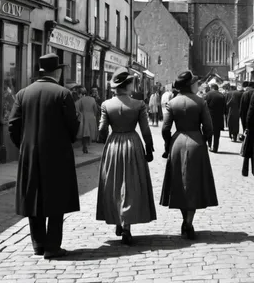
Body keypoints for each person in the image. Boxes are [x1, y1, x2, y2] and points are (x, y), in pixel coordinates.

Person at [8, 53, 80, 259]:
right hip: (57, 155)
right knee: (57, 199)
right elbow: (72, 125)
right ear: (56, 72)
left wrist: (23, 146)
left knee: (34, 198)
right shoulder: (62, 93)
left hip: (30, 155)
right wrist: (69, 140)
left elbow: (13, 125)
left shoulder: (23, 93)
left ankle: (38, 244)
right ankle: (52, 246)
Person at [96, 68, 155, 245]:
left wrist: (102, 140)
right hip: (132, 145)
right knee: (130, 185)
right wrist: (149, 148)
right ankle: (127, 226)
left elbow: (101, 130)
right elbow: (145, 130)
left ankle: (117, 220)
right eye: (131, 82)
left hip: (114, 145)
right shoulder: (138, 104)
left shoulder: (106, 104)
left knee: (113, 183)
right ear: (127, 85)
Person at [160, 71, 218, 240]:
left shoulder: (172, 103)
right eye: (195, 83)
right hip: (196, 143)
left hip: (177, 142)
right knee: (193, 184)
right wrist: (205, 140)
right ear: (190, 85)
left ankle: (185, 219)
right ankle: (189, 222)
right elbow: (209, 127)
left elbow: (165, 128)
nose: (197, 85)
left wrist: (168, 143)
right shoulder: (200, 102)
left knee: (179, 183)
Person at [75, 87, 99, 153]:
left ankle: (84, 146)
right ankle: (85, 146)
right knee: (88, 133)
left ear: (81, 94)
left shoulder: (80, 100)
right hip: (91, 117)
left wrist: (79, 114)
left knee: (84, 133)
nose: (78, 96)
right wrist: (94, 115)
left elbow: (76, 109)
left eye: (78, 94)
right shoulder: (92, 99)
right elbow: (95, 110)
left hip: (84, 117)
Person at [204, 83, 226, 153]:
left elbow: (204, 106)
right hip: (218, 117)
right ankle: (215, 148)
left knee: (209, 131)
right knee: (217, 133)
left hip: (209, 116)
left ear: (212, 88)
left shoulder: (207, 95)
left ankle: (209, 145)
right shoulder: (222, 95)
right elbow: (224, 108)